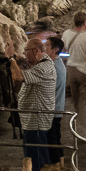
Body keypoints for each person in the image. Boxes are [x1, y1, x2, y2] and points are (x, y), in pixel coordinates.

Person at [17, 38, 59, 171]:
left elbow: (18, 77)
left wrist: (9, 59)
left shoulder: (44, 67)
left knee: (36, 159)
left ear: (35, 51)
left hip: (37, 121)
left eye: (26, 51)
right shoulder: (40, 64)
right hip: (32, 120)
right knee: (35, 156)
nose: (24, 54)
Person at [30, 19, 68, 159]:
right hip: (53, 111)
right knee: (53, 143)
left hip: (52, 113)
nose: (44, 49)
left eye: (47, 46)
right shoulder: (54, 65)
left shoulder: (55, 67)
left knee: (52, 144)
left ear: (55, 49)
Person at [61, 10, 86, 115]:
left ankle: (77, 122)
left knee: (76, 101)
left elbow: (64, 53)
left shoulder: (66, 34)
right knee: (84, 101)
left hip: (71, 70)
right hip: (84, 71)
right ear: (85, 22)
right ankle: (82, 127)